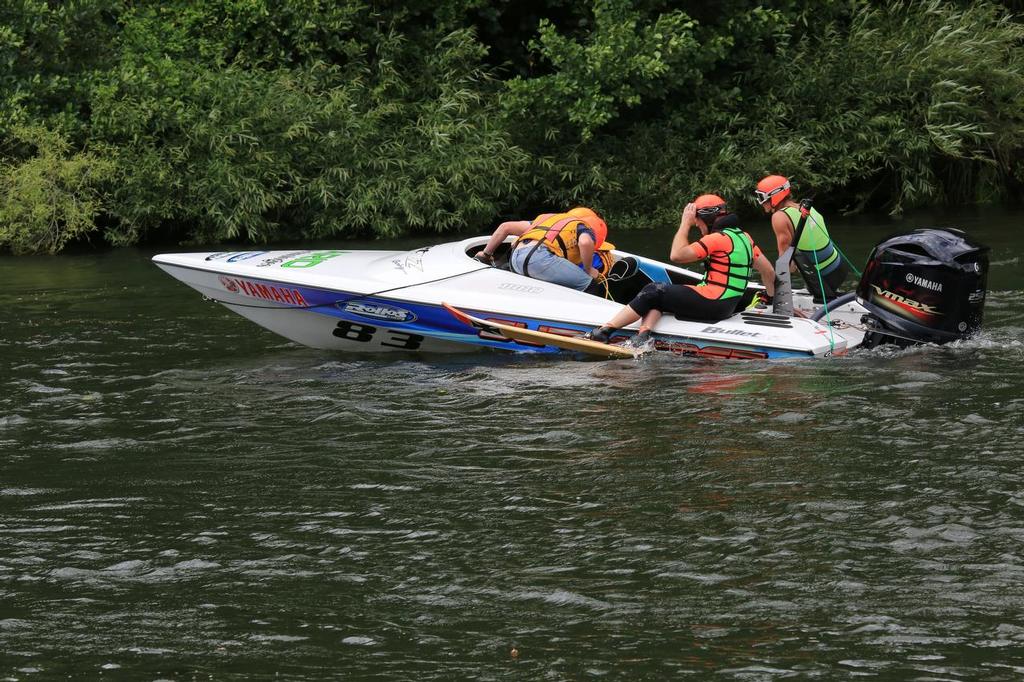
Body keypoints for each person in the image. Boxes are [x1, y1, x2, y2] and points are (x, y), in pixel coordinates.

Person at [584, 195, 775, 345]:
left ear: (706, 219)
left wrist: (685, 223)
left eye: (697, 222)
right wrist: (771, 298)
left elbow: (677, 255)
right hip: (726, 305)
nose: (698, 226)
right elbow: (769, 273)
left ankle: (604, 331)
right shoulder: (745, 238)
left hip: (713, 303)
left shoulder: (717, 239)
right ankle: (643, 336)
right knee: (664, 294)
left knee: (654, 290)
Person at [755, 175, 849, 303]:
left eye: (761, 197)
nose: (760, 202)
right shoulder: (805, 208)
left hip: (824, 277)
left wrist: (774, 293)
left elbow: (787, 264)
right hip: (840, 266)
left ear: (774, 195)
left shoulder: (779, 217)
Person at [473, 207, 609, 293]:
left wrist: (485, 254)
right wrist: (588, 270)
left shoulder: (547, 218)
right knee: (589, 284)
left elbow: (505, 227)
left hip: (515, 257)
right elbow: (585, 242)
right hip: (540, 259)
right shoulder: (583, 226)